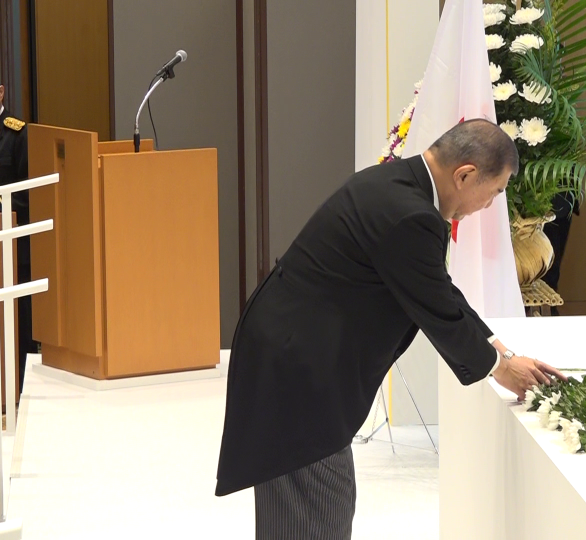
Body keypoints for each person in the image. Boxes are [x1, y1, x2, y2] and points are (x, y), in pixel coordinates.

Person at [216, 119, 566, 539]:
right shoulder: (410, 216)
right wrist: (501, 367)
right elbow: (436, 306)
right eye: (493, 193)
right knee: (316, 509)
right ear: (465, 174)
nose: (488, 206)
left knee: (305, 507)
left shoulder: (399, 182)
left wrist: (501, 350)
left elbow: (438, 288)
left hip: (292, 353)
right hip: (299, 371)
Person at [0, 84, 36, 394]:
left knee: (21, 326)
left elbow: (28, 195)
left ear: (0, 93)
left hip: (13, 248)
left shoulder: (17, 135)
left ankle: (21, 391)